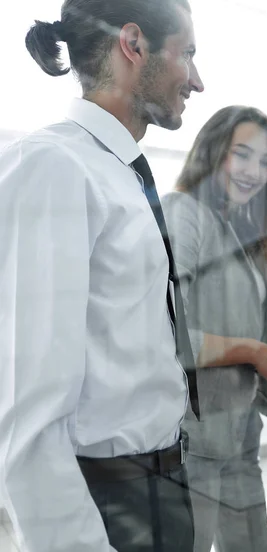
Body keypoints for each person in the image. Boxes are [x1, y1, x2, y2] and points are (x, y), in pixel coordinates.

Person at [0, 1, 204, 550]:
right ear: (132, 45)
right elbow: (27, 421)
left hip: (162, 485)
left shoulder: (120, 172)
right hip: (111, 501)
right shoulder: (53, 166)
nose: (198, 80)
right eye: (187, 54)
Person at [162, 106, 267, 552]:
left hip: (240, 436)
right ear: (213, 152)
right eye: (242, 155)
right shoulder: (184, 213)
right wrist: (253, 351)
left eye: (265, 162)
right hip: (193, 443)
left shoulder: (246, 233)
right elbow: (165, 331)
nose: (254, 171)